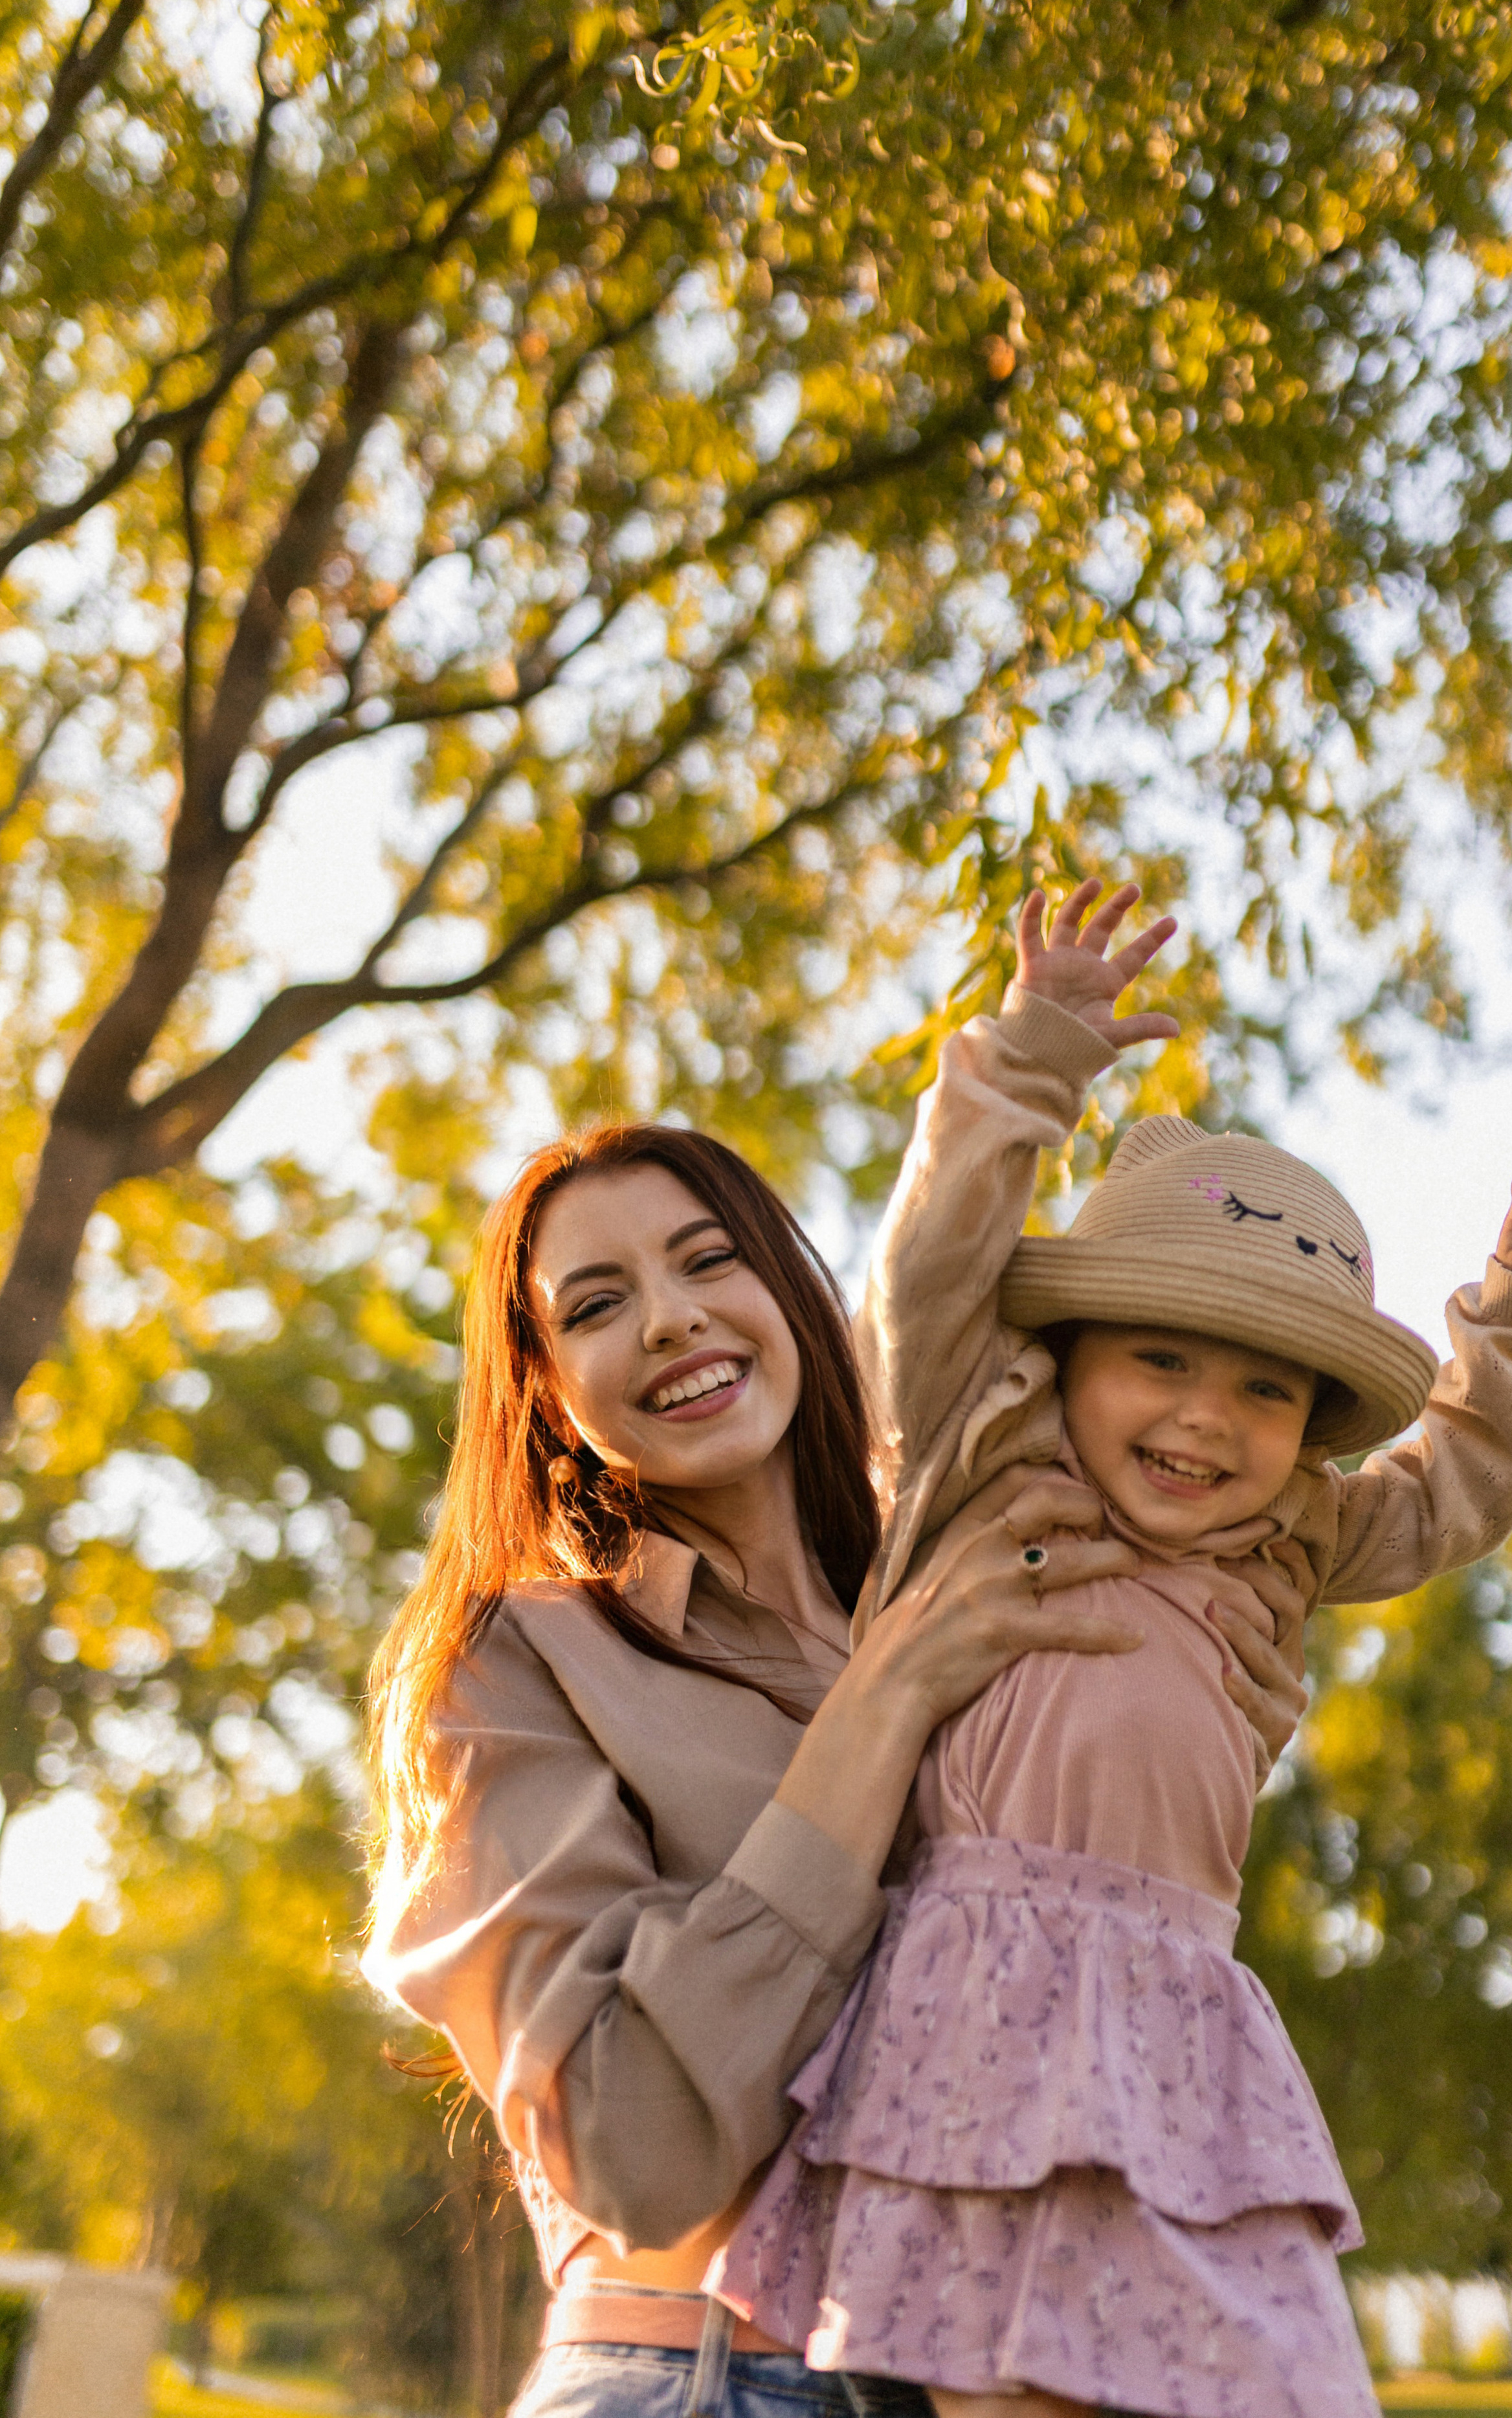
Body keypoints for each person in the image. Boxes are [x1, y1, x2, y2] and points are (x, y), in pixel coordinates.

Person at [710, 880, 1512, 2418]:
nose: (1202, 1419)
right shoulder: (990, 1449)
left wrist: (1506, 1318)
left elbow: (1454, 1495)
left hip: (1178, 2012)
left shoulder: (1291, 1541)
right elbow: (930, 1267)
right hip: (981, 1995)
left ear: (1305, 1434)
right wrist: (1030, 1057)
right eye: (1159, 1362)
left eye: (1262, 1394)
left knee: (1267, 2379)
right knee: (1012, 2382)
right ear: (1067, 1359)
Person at [362, 998, 1312, 2413]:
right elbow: (632, 2159)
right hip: (698, 2378)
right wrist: (884, 1697)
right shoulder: (520, 1667)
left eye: (706, 1261)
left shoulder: (972, 1564)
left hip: (991, 2369)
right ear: (550, 1396)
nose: (674, 1317)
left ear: (788, 1292)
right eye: (597, 1304)